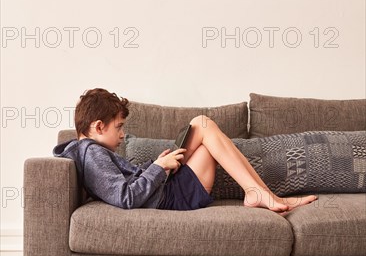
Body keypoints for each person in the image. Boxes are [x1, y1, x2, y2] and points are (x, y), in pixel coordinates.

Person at [53, 88, 318, 215]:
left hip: (165, 188)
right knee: (203, 125)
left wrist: (156, 164)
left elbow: (129, 183)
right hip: (170, 197)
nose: (122, 135)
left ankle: (260, 193)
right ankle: (259, 193)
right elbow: (127, 198)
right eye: (119, 127)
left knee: (202, 124)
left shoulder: (90, 152)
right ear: (98, 126)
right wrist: (160, 168)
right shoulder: (92, 155)